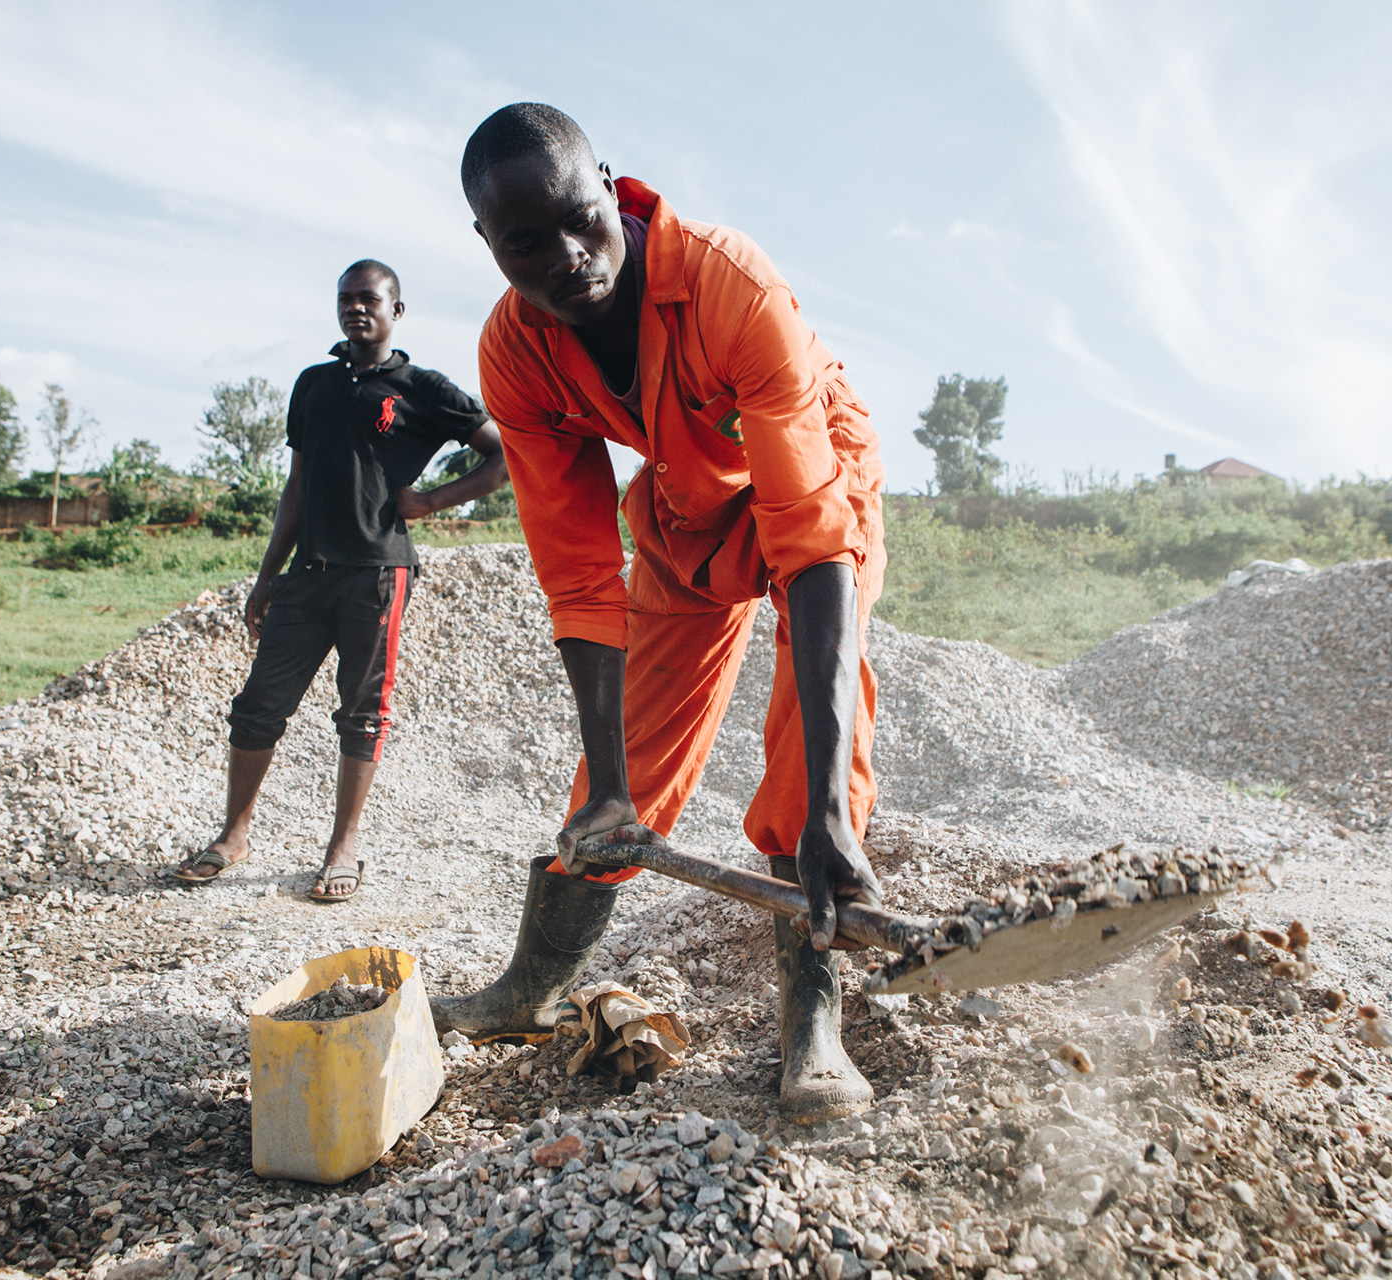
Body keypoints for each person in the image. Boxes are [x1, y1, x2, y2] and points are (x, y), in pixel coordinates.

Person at [431, 105, 886, 1124]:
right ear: (486, 246)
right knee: (619, 762)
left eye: (579, 220)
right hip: (687, 502)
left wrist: (820, 807)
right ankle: (529, 985)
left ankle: (813, 1026)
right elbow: (582, 571)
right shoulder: (515, 352)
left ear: (611, 186)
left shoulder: (729, 284)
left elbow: (812, 544)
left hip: (815, 473)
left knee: (808, 756)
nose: (565, 257)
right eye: (523, 244)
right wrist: (614, 793)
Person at [171, 259, 508, 902]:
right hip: (309, 574)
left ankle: (342, 848)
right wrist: (267, 576)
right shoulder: (313, 385)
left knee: (361, 714)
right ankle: (233, 835)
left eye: (370, 299)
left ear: (395, 311)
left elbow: (501, 456)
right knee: (258, 706)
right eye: (346, 299)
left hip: (378, 575)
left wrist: (431, 502)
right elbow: (296, 487)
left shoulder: (423, 388)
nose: (357, 308)